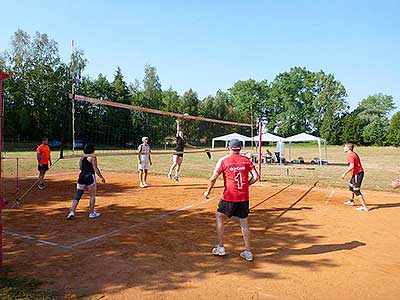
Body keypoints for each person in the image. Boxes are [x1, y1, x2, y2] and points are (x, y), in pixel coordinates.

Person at [204, 139, 260, 262]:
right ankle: (248, 251)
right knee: (244, 223)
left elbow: (213, 178)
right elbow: (256, 177)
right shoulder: (246, 160)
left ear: (229, 148)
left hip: (229, 196)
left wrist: (207, 191)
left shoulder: (224, 161)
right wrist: (246, 185)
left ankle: (220, 247)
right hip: (243, 197)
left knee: (219, 216)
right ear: (240, 148)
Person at [66, 143, 106, 220]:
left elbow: (80, 167)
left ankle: (72, 211)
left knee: (78, 195)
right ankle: (91, 213)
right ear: (92, 149)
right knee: (92, 196)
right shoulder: (92, 157)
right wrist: (101, 177)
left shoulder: (82, 157)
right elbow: (95, 168)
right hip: (90, 176)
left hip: (81, 176)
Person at [341, 143, 369, 211]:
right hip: (355, 174)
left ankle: (364, 207)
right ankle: (351, 201)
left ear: (349, 148)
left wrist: (344, 173)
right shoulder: (351, 154)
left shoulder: (351, 155)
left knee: (356, 190)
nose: (343, 148)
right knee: (351, 185)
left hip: (358, 174)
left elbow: (352, 166)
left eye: (345, 147)